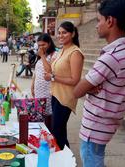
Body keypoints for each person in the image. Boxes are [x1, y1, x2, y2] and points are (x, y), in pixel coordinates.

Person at [73, 0, 125, 166]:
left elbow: (77, 91)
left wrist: (87, 87)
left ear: (110, 21)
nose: (97, 26)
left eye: (99, 20)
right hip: (107, 124)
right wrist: (90, 86)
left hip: (95, 127)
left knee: (92, 161)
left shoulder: (110, 58)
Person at [44, 21, 84, 150]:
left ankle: (65, 158)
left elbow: (75, 80)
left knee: (57, 131)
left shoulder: (75, 53)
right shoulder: (62, 50)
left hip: (65, 98)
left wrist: (53, 77)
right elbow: (52, 69)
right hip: (56, 94)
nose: (61, 35)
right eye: (59, 33)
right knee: (59, 131)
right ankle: (66, 158)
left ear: (72, 34)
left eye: (64, 33)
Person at [30, 33, 57, 129]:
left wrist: (42, 56)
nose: (41, 47)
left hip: (48, 91)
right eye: (39, 45)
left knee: (47, 115)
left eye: (43, 45)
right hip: (38, 90)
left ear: (49, 43)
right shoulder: (42, 55)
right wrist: (32, 85)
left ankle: (48, 135)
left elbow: (49, 71)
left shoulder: (54, 55)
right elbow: (36, 72)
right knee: (39, 114)